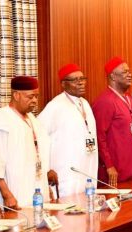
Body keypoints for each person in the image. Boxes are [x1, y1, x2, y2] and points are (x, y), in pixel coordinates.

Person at [0, 76, 57, 209]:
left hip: (35, 194)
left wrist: (44, 185)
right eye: (30, 97)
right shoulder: (2, 120)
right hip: (15, 197)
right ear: (16, 95)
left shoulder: (32, 119)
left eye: (36, 96)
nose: (35, 101)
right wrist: (7, 195)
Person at [38, 64, 98, 197]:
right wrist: (46, 169)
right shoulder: (55, 106)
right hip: (66, 171)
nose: (81, 82)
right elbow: (38, 136)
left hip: (86, 166)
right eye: (75, 80)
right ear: (63, 84)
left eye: (82, 78)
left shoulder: (85, 103)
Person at [92, 57, 132, 186]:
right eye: (124, 72)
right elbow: (99, 136)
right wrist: (109, 165)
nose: (129, 75)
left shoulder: (129, 98)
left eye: (129, 71)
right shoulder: (105, 101)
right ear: (113, 76)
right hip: (115, 174)